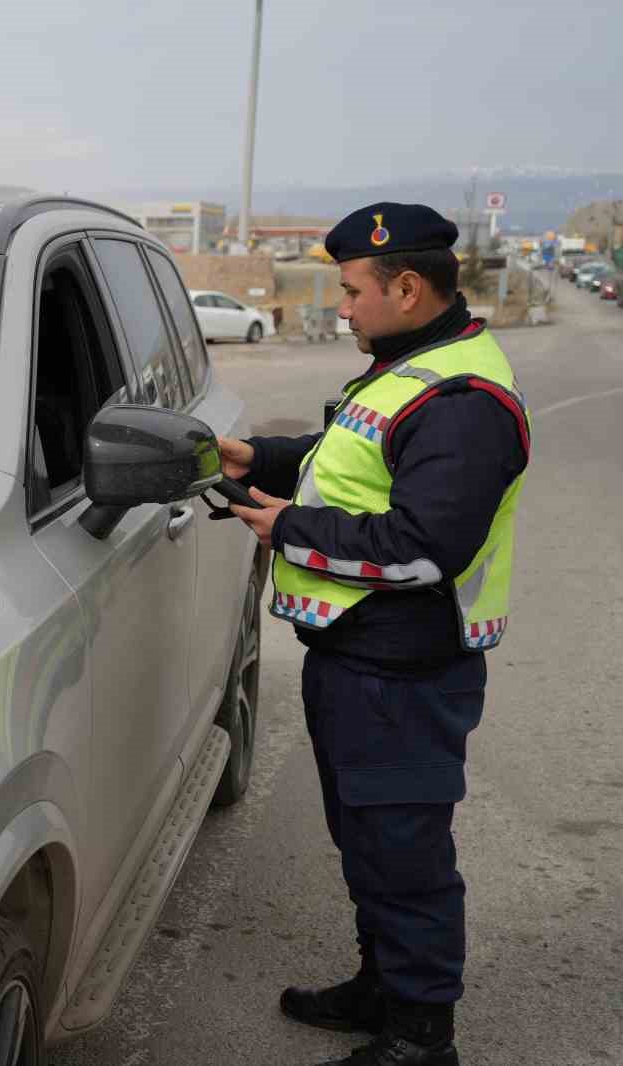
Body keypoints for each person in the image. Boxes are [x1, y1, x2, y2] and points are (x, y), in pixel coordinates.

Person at [220, 203, 531, 1066]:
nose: (343, 308)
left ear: (406, 285)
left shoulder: (464, 401)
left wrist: (290, 529)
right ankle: (382, 986)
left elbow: (423, 550)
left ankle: (422, 1038)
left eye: (353, 291)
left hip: (404, 670)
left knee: (405, 858)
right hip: (359, 660)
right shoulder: (412, 367)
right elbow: (353, 456)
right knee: (366, 843)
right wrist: (264, 458)